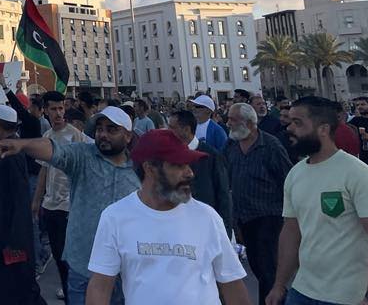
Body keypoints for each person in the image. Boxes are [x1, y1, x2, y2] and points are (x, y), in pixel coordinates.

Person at [85, 129, 250, 305]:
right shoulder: (115, 217)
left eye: (188, 165)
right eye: (178, 165)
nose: (190, 173)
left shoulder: (207, 217)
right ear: (149, 169)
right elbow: (100, 287)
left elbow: (232, 283)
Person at [0, 105, 139, 305]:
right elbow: (53, 149)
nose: (103, 134)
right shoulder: (82, 156)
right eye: (100, 129)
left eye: (112, 129)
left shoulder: (140, 170)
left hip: (125, 273)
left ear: (128, 136)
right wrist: (22, 145)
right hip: (85, 269)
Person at [265, 96, 368, 305]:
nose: (289, 128)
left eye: (298, 123)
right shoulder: (295, 174)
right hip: (302, 292)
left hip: (350, 297)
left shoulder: (358, 174)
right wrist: (279, 284)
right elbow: (291, 231)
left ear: (323, 129)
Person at [225, 102, 291, 305]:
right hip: (243, 218)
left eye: (233, 119)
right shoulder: (232, 146)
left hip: (268, 217)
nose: (228, 123)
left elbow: (287, 179)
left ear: (248, 123)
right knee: (257, 267)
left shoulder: (270, 146)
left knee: (268, 270)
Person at [0, 105, 45, 305]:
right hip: (0, 228)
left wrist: (16, 239)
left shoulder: (13, 152)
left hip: (9, 233)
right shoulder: (3, 147)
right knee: (3, 280)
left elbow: (20, 197)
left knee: (16, 284)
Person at [34, 92, 88, 302]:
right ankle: (68, 294)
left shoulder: (75, 135)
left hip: (69, 207)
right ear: (45, 111)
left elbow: (83, 169)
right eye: (53, 109)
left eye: (61, 108)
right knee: (58, 256)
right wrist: (36, 201)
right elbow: (44, 169)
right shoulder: (47, 136)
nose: (58, 113)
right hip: (51, 205)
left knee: (71, 259)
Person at [167, 109, 233, 235]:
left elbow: (223, 195)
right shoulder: (168, 157)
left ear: (186, 129)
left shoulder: (211, 156)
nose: (167, 132)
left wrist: (225, 232)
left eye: (172, 128)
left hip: (206, 226)